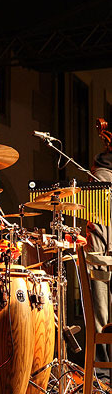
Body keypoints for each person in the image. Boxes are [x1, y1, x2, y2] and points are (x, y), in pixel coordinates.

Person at [85, 150, 112, 365]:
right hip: (101, 249)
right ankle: (102, 369)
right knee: (100, 301)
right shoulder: (102, 177)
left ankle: (102, 370)